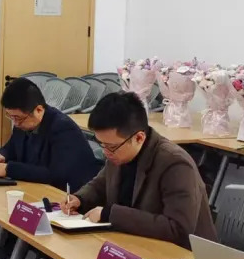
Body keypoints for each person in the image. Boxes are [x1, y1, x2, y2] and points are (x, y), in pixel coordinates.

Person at [64, 91, 217, 248]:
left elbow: (178, 229)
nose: (105, 152)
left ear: (139, 138)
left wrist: (110, 214)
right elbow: (101, 185)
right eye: (101, 144)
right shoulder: (120, 151)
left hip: (182, 256)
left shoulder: (175, 163)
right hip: (133, 243)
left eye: (111, 147)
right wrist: (80, 199)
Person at [0, 77, 98, 192]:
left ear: (38, 110)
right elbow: (12, 147)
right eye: (10, 116)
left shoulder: (63, 128)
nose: (16, 123)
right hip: (36, 188)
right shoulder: (22, 122)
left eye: (18, 118)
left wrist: (9, 169)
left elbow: (55, 174)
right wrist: (1, 156)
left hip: (70, 194)